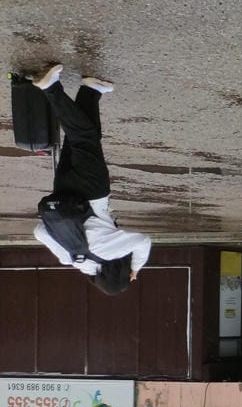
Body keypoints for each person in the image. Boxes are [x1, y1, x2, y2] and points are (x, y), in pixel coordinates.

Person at [29, 65, 151, 295]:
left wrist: (136, 268)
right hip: (62, 194)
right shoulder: (73, 260)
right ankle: (91, 91)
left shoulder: (111, 252)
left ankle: (51, 87)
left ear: (119, 272)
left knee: (83, 137)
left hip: (93, 191)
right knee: (79, 140)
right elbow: (40, 232)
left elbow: (143, 242)